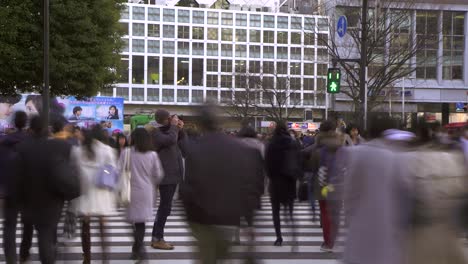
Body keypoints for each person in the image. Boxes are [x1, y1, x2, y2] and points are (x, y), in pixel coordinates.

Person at [181, 104, 262, 263]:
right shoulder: (236, 147)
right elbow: (247, 184)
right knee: (223, 256)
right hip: (228, 216)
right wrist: (250, 220)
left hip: (201, 218)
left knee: (206, 258)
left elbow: (187, 188)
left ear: (200, 124)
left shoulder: (194, 149)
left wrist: (189, 215)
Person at [343, 115, 412, 264]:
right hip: (389, 232)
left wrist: (349, 220)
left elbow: (349, 194)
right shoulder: (397, 158)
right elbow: (405, 198)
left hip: (360, 230)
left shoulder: (355, 154)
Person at [15, 115, 81, 264]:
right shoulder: (60, 146)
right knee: (46, 235)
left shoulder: (22, 148)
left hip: (28, 200)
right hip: (51, 200)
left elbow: (17, 174)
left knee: (27, 230)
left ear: (30, 129)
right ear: (46, 129)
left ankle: (23, 256)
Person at [404, 121, 468, 264]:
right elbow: (461, 195)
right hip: (448, 232)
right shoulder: (451, 157)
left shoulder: (412, 160)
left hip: (420, 235)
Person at [73, 125, 118, 263]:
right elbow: (113, 170)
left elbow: (74, 169)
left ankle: (87, 257)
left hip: (84, 191)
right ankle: (105, 258)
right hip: (102, 191)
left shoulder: (78, 150)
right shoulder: (107, 150)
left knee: (85, 224)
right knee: (102, 226)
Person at [122, 128, 164, 261]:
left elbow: (119, 170)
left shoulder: (126, 152)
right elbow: (158, 175)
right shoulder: (152, 155)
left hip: (130, 191)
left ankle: (139, 250)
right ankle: (137, 250)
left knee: (130, 220)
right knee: (140, 223)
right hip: (146, 191)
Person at [149, 109, 186, 250]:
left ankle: (157, 237)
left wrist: (180, 129)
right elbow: (170, 140)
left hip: (173, 175)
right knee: (164, 208)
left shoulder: (171, 132)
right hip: (166, 176)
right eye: (170, 118)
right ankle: (157, 238)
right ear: (165, 119)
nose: (173, 120)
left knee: (165, 208)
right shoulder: (155, 132)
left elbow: (184, 145)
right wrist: (175, 127)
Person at [308, 120, 344, 252]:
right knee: (336, 213)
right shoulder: (341, 145)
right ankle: (334, 240)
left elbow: (312, 166)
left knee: (325, 212)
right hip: (338, 184)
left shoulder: (318, 148)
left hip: (323, 185)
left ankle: (328, 243)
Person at [265, 122, 302, 246]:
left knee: (276, 211)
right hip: (289, 182)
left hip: (275, 182)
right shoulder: (292, 143)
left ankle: (279, 237)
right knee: (289, 211)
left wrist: (271, 177)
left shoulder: (271, 144)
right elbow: (298, 161)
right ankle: (293, 235)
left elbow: (268, 165)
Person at [1, 111, 30, 264]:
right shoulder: (30, 141)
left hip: (9, 190)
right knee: (27, 224)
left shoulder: (4, 141)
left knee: (9, 226)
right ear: (25, 123)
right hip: (27, 190)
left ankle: (10, 258)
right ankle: (24, 255)